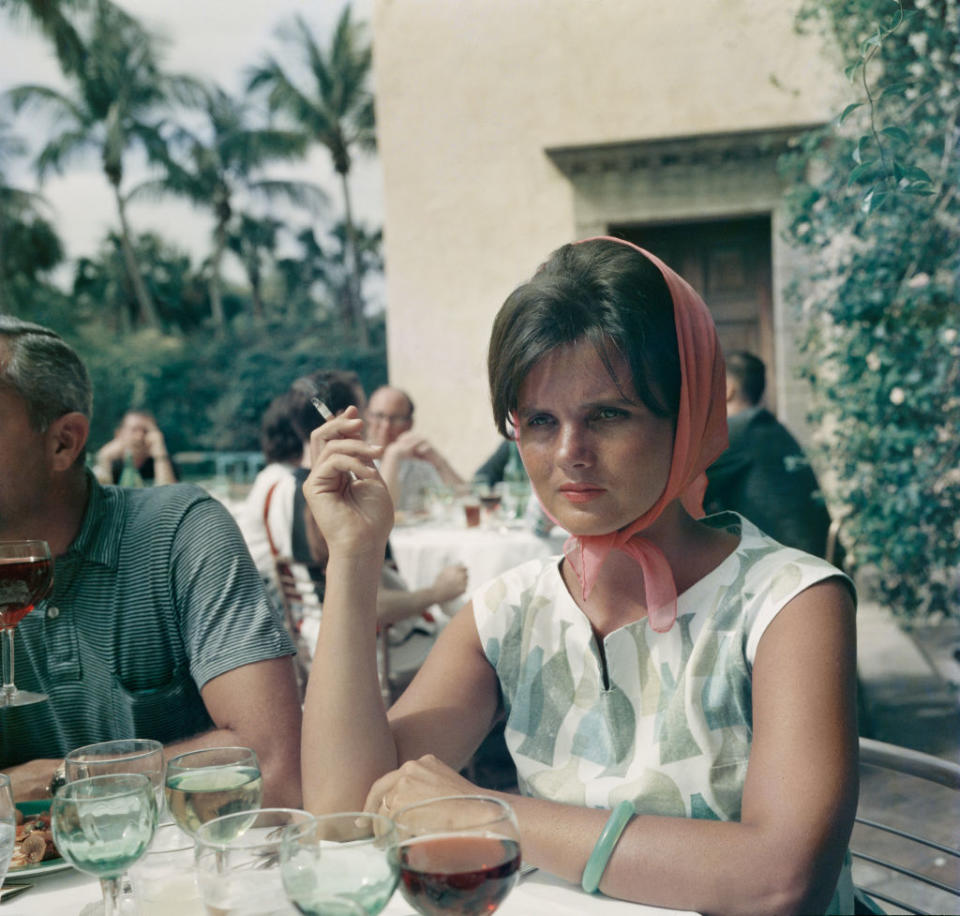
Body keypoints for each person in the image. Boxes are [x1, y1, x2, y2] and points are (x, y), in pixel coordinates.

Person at [300, 238, 861, 914]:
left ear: (689, 414)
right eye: (539, 420)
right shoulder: (509, 612)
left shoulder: (789, 604)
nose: (570, 454)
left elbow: (782, 881)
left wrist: (484, 813)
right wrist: (356, 556)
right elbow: (344, 811)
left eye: (608, 414)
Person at [0, 317, 302, 806]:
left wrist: (64, 777)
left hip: (186, 870)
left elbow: (272, 762)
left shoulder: (178, 533)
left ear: (64, 441)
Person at [704, 350, 836, 559]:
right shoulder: (769, 428)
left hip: (789, 567)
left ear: (728, 389)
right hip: (818, 557)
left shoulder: (737, 432)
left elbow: (684, 488)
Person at [365, 385, 464, 513]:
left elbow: (466, 500)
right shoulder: (356, 461)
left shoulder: (419, 462)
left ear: (410, 423)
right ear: (367, 416)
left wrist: (440, 463)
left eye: (395, 419)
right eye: (379, 416)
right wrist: (392, 456)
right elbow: (379, 513)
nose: (386, 426)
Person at [94, 409, 179, 486]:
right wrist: (104, 459)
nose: (139, 436)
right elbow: (98, 498)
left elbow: (170, 497)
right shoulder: (112, 463)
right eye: (134, 430)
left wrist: (160, 456)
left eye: (145, 431)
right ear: (118, 434)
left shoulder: (165, 464)